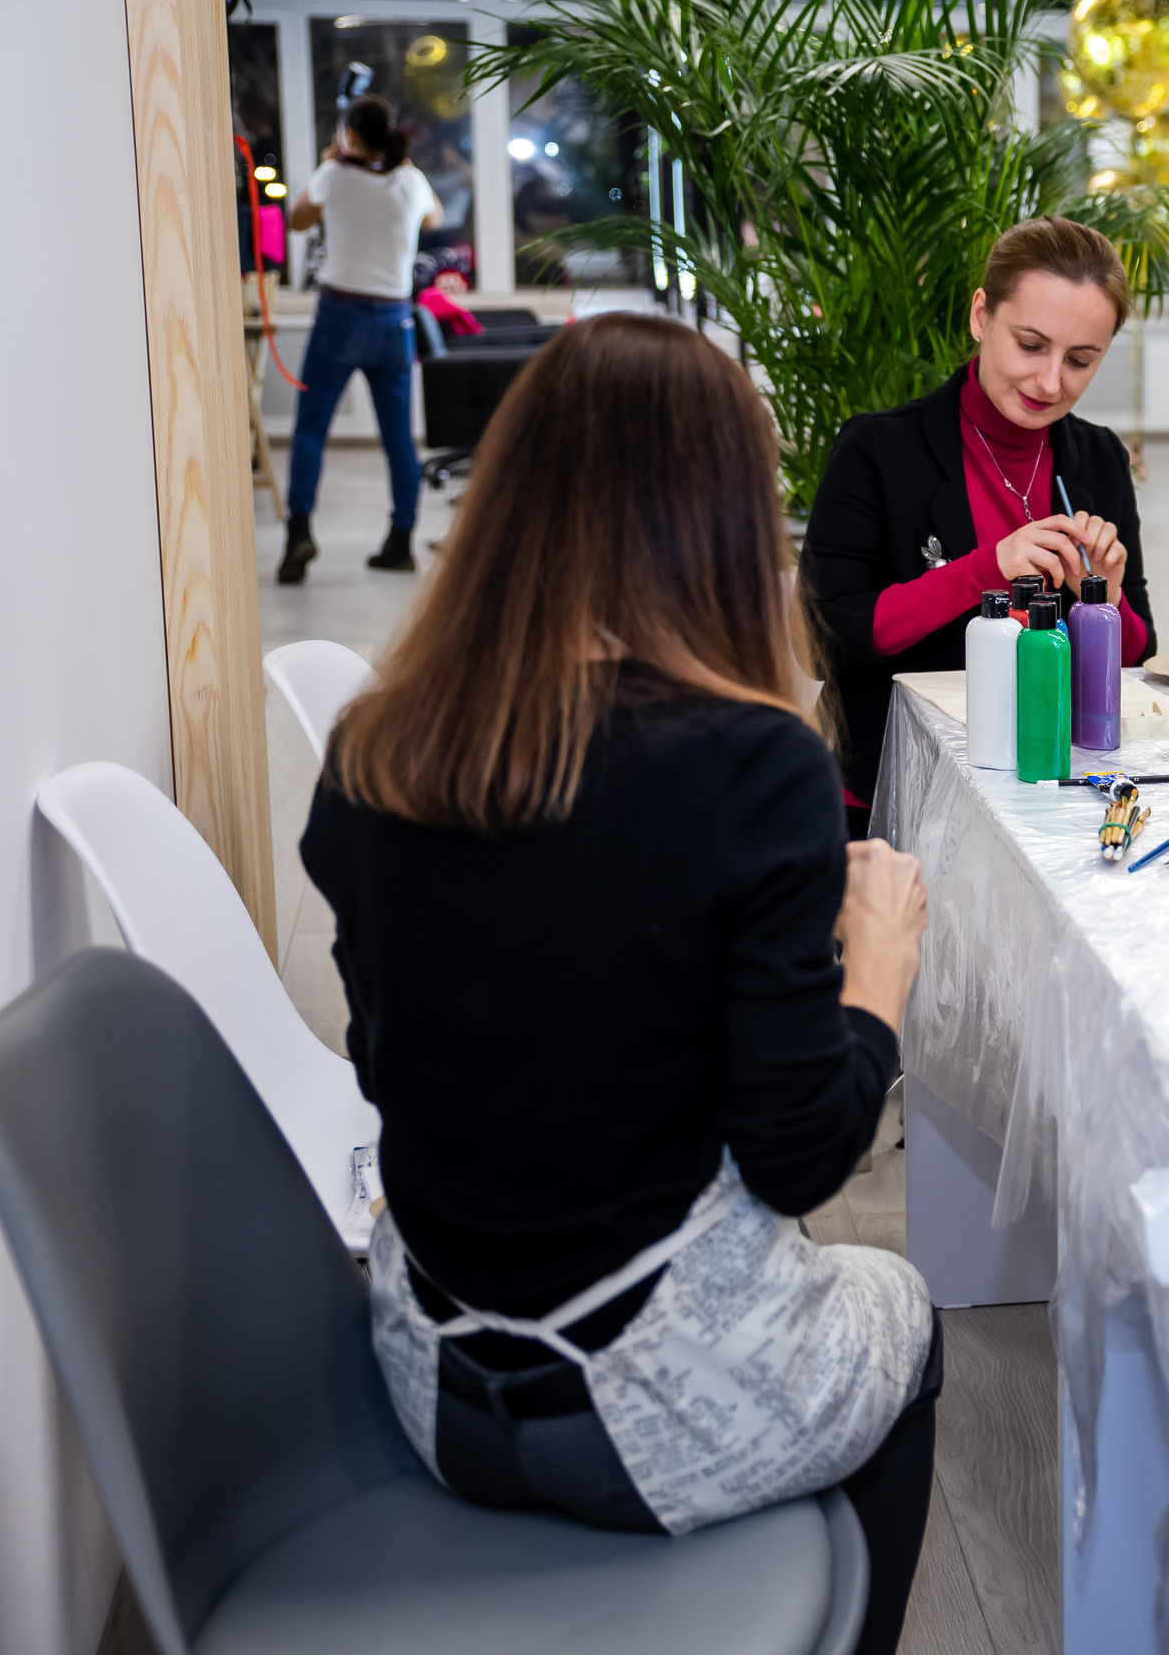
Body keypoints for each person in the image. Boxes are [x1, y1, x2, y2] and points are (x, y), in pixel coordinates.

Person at [301, 313, 939, 1655]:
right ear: (715, 521)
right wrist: (871, 978)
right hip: (640, 1409)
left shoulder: (375, 746)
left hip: (435, 1382)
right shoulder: (751, 763)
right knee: (905, 1313)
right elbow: (799, 1155)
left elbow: (389, 1061)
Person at [805, 217, 1156, 832]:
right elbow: (824, 638)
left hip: (1053, 789)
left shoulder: (1099, 458)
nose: (1050, 381)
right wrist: (985, 569)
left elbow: (1135, 654)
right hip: (897, 794)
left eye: (1080, 360)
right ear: (980, 317)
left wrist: (1107, 598)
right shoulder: (880, 450)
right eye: (1029, 345)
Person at [280, 94, 442, 584]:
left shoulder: (334, 175)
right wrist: (398, 167)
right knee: (399, 441)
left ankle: (299, 533)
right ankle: (401, 541)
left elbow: (298, 220)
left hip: (339, 316)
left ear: (349, 134)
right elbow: (433, 218)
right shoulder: (410, 181)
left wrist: (330, 163)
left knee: (311, 430)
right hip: (394, 321)